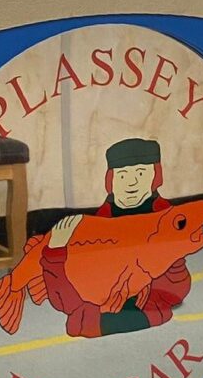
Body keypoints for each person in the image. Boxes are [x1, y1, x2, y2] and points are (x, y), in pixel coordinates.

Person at [42, 137, 194, 339]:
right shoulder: (99, 222)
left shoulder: (166, 216)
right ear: (111, 181)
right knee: (82, 312)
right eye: (122, 175)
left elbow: (174, 284)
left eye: (141, 173)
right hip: (110, 290)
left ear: (155, 177)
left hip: (154, 290)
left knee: (156, 302)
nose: (131, 182)